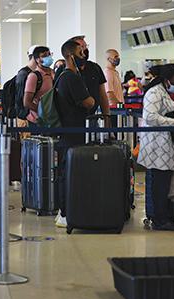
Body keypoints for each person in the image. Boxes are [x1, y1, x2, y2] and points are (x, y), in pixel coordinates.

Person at [138, 64, 174, 231]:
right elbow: (150, 116)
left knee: (164, 182)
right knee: (160, 182)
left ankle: (163, 216)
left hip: (167, 143)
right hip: (156, 144)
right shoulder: (154, 92)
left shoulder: (169, 92)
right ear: (167, 80)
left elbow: (167, 111)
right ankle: (160, 219)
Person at [53, 40, 96, 228]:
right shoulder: (71, 78)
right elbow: (89, 103)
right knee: (69, 173)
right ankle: (66, 212)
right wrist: (91, 98)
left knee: (66, 172)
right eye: (81, 51)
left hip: (67, 131)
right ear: (71, 55)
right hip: (73, 131)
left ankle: (66, 211)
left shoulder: (63, 76)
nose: (84, 53)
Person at [66, 36, 112, 127]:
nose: (84, 51)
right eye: (81, 48)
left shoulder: (95, 68)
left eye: (85, 46)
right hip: (71, 122)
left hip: (92, 119)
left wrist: (107, 119)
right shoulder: (66, 72)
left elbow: (103, 95)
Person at [23, 46, 55, 127]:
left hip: (52, 120)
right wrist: (43, 112)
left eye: (49, 54)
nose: (48, 57)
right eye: (44, 55)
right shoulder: (34, 76)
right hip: (37, 121)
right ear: (37, 59)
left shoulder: (53, 73)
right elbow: (27, 102)